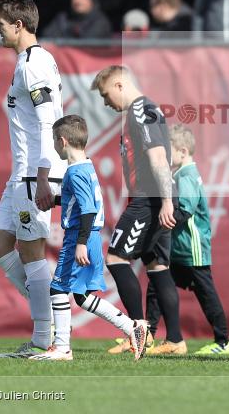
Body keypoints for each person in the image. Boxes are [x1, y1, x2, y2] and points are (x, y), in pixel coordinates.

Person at [30, 115, 147, 361]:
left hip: (80, 237)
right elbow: (85, 203)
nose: (53, 145)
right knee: (83, 297)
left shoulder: (74, 172)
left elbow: (89, 210)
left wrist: (80, 243)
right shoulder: (87, 165)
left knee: (58, 288)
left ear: (62, 141)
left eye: (54, 140)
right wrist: (57, 200)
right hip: (89, 236)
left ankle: (62, 347)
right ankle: (132, 328)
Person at [90, 65, 187, 356]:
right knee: (158, 267)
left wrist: (166, 201)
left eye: (107, 95)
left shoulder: (141, 110)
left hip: (150, 200)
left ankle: (137, 330)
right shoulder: (144, 110)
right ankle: (175, 340)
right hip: (156, 198)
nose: (106, 103)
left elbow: (157, 157)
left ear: (119, 85)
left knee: (116, 257)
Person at [0, 0, 64, 358]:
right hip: (20, 172)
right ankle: (46, 320)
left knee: (33, 253)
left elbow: (49, 119)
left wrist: (45, 175)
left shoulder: (32, 65)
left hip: (34, 173)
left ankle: (44, 336)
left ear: (18, 25)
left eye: (1, 23)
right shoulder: (31, 60)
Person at [145, 124, 229, 356]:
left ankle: (223, 342)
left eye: (168, 151)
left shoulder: (187, 175)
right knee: (156, 286)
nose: (164, 156)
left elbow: (186, 209)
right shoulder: (180, 174)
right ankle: (147, 335)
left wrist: (161, 222)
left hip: (192, 251)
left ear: (182, 152)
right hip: (179, 250)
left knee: (206, 295)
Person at [41, 0, 112, 39]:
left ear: (92, 0)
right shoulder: (63, 19)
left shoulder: (101, 21)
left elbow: (86, 45)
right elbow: (47, 37)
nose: (78, 0)